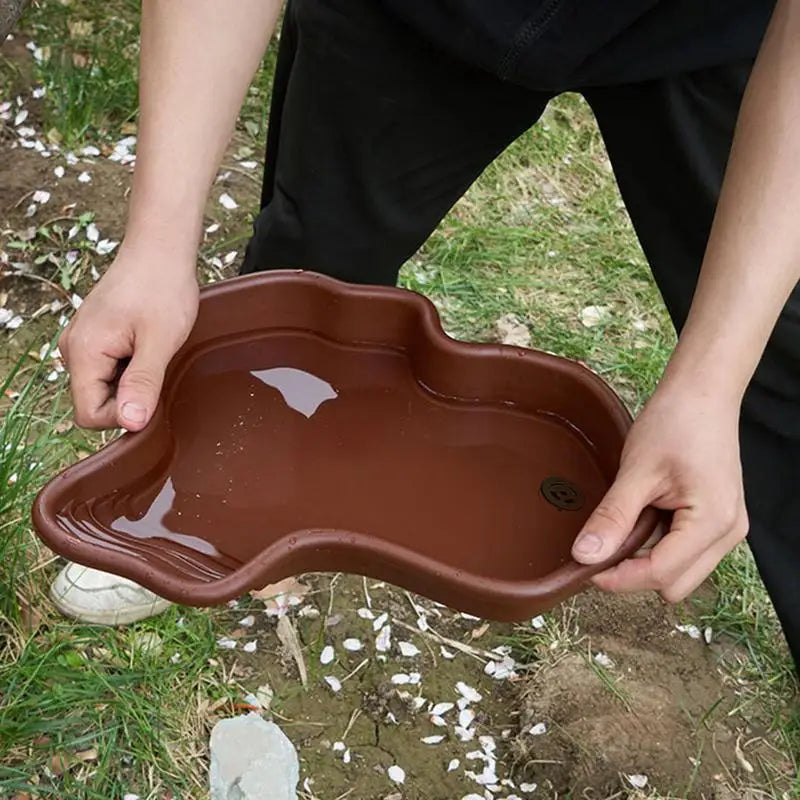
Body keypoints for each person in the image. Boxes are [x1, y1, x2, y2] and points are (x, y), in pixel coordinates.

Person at [51, 0, 800, 674]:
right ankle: (183, 525)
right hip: (423, 16)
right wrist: (154, 245)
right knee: (306, 285)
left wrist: (711, 379)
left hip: (715, 30)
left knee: (782, 373)